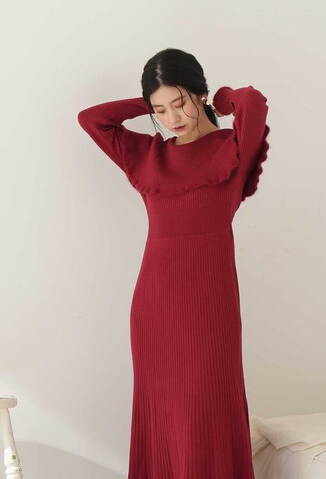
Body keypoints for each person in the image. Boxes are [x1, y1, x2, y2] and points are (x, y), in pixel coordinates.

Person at [77, 47, 270, 478]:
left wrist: (218, 98)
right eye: (160, 110)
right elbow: (91, 119)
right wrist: (151, 98)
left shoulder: (232, 148)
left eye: (179, 103)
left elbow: (251, 101)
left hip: (211, 306)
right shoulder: (147, 155)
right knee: (162, 416)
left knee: (208, 410)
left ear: (198, 93)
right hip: (155, 307)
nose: (172, 118)